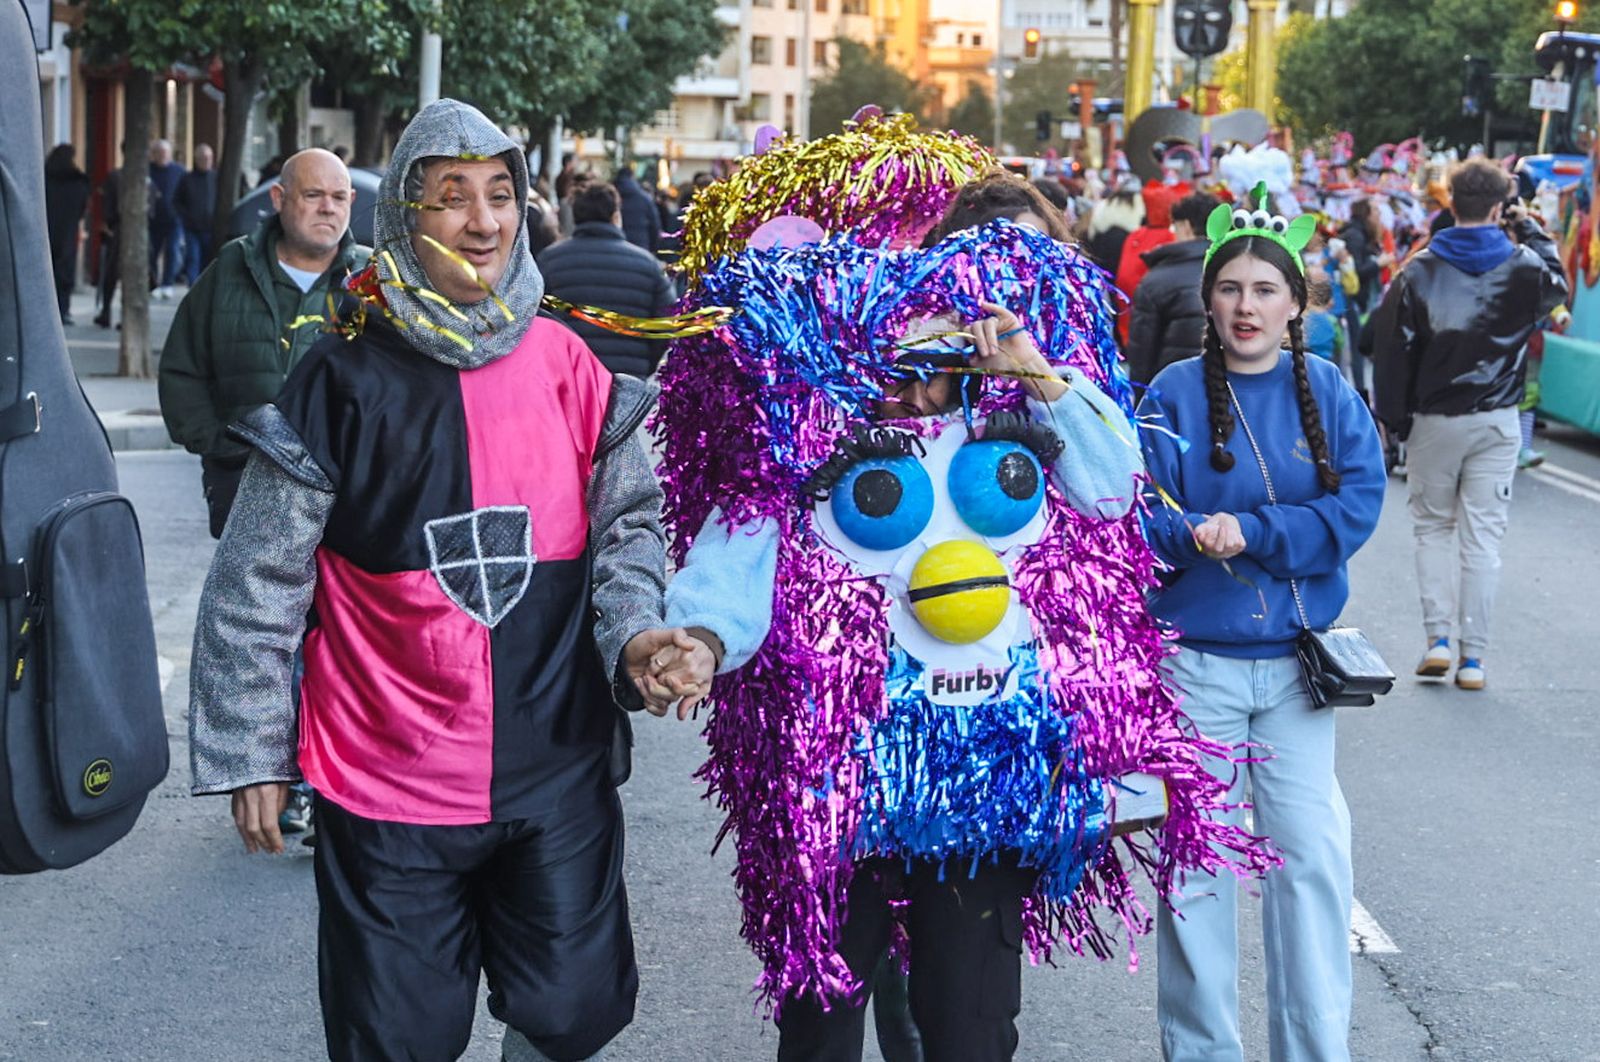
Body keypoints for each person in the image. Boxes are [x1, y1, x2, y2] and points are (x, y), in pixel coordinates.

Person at [649, 158, 1266, 1062]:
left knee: (973, 1027)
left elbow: (1111, 486)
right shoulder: (819, 449)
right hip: (848, 777)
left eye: (937, 359)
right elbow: (740, 550)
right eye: (897, 358)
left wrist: (1035, 369)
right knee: (820, 1024)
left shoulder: (1016, 433)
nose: (915, 383)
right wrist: (700, 640)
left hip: (985, 780)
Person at [187, 98, 687, 1062]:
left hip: (554, 772)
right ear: (403, 220)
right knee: (398, 1037)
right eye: (452, 198)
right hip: (387, 784)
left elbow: (628, 529)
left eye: (501, 195)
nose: (484, 221)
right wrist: (252, 747)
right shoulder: (336, 384)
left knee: (569, 1012)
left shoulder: (570, 367)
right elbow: (260, 578)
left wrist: (636, 635)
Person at [1138, 189, 1386, 1062]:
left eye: (1265, 290)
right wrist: (1184, 534)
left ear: (1294, 304)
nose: (1247, 306)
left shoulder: (1326, 387)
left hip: (1296, 674)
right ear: (1209, 300)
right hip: (1193, 670)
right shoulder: (1168, 392)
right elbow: (1135, 513)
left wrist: (1257, 532)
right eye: (1232, 288)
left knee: (1312, 866)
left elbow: (1359, 504)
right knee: (1194, 878)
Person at [1371, 158, 1566, 690]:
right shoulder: (1524, 264)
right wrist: (1528, 227)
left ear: (1450, 202)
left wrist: (1393, 420)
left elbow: (1391, 351)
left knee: (1433, 528)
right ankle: (1473, 657)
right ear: (1501, 206)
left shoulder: (1419, 269)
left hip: (1436, 417)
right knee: (1483, 540)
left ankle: (1437, 639)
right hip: (1498, 417)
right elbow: (1558, 287)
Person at [159, 147, 366, 542]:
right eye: (313, 195)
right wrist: (224, 448)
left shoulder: (373, 283)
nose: (328, 208)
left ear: (351, 202)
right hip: (243, 492)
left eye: (339, 197)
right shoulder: (230, 270)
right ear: (279, 198)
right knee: (248, 604)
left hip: (347, 501)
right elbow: (182, 371)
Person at [536, 181, 677, 377]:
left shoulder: (549, 261)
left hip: (569, 376)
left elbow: (534, 320)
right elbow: (666, 325)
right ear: (616, 216)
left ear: (576, 217)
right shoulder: (648, 265)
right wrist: (646, 362)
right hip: (630, 377)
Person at [1124, 189, 1220, 386]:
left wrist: (1142, 401)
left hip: (1174, 389)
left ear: (1185, 226)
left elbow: (1142, 354)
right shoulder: (1235, 271)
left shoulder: (1156, 279)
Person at [1336, 198, 1390, 399]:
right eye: (1375, 210)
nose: (1379, 215)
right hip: (1353, 300)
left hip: (1358, 300)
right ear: (1366, 214)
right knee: (1357, 348)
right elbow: (1357, 270)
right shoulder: (1356, 236)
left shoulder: (1359, 234)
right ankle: (1360, 394)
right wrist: (1379, 263)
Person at [43, 143, 91, 325]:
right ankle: (63, 310)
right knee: (64, 272)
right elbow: (82, 208)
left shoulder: (43, 178)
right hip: (67, 232)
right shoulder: (78, 182)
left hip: (46, 231)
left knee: (47, 272)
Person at [147, 139, 187, 299]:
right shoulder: (147, 170)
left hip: (173, 219)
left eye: (165, 153)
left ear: (170, 154)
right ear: (153, 155)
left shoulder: (179, 171)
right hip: (152, 219)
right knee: (151, 253)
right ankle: (153, 283)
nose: (162, 156)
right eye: (159, 153)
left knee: (172, 250)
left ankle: (167, 284)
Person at [173, 143, 218, 283]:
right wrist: (185, 217)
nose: (206, 161)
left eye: (209, 158)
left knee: (209, 261)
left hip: (212, 228)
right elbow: (176, 201)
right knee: (193, 259)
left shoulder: (217, 177)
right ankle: (193, 288)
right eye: (203, 158)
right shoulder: (187, 178)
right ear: (196, 159)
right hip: (192, 228)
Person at [613, 165, 661, 255]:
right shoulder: (645, 199)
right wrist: (653, 248)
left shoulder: (610, 197)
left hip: (615, 249)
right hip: (641, 248)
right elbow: (655, 226)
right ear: (632, 177)